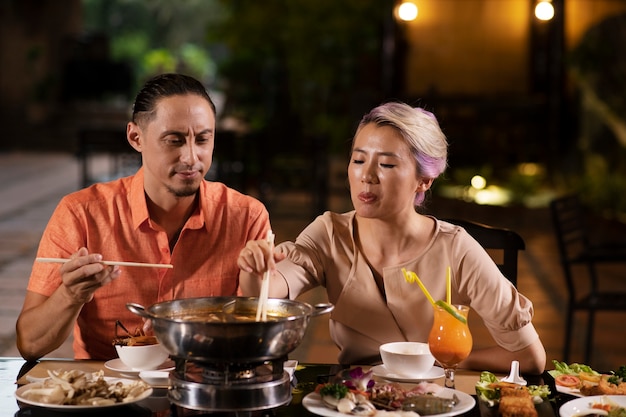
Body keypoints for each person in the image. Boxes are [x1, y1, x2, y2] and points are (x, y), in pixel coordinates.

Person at [238, 102, 546, 374]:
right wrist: (256, 271)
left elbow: (529, 357)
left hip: (434, 403)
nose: (367, 175)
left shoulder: (456, 248)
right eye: (358, 160)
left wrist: (443, 361)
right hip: (356, 402)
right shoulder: (330, 234)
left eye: (386, 164)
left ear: (424, 180)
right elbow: (267, 297)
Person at [16, 73, 271, 361]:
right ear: (136, 137)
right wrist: (71, 295)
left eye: (202, 139)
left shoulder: (246, 216)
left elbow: (258, 340)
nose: (191, 157)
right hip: (107, 394)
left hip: (205, 391)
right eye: (174, 140)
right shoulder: (82, 214)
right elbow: (30, 344)